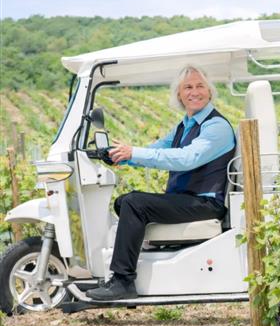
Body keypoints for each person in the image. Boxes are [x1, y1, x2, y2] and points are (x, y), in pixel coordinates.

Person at [87, 65, 236, 300]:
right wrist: (121, 157)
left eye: (200, 86)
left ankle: (123, 281)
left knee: (135, 203)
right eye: (188, 87)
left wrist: (133, 152)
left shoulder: (215, 126)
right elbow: (158, 150)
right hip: (188, 199)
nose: (194, 92)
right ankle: (123, 270)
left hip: (205, 203)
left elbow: (187, 159)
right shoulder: (186, 124)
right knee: (124, 202)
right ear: (179, 94)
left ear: (210, 92)